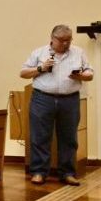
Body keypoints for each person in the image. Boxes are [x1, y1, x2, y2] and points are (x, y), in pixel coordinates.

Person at [20, 24, 93, 186]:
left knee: (69, 137)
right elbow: (23, 73)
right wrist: (41, 67)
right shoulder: (39, 52)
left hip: (70, 99)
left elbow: (90, 74)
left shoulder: (78, 52)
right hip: (42, 98)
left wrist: (82, 75)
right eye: (62, 40)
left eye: (69, 40)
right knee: (40, 136)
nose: (66, 44)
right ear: (52, 39)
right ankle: (39, 172)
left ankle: (67, 173)